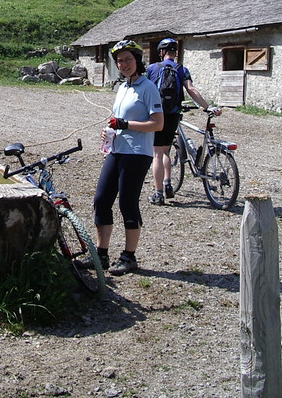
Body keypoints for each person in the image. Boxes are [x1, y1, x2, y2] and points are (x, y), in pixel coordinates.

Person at [79, 39, 163, 276]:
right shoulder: (123, 87)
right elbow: (119, 120)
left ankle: (129, 256)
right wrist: (111, 131)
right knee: (101, 199)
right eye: (119, 60)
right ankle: (101, 254)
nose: (123, 64)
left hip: (137, 154)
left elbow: (158, 124)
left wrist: (125, 124)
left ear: (138, 60)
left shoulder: (149, 88)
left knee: (127, 203)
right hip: (116, 150)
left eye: (128, 59)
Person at [146, 37, 220, 205]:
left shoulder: (152, 69)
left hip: (157, 114)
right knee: (166, 151)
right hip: (173, 114)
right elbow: (191, 89)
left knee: (157, 154)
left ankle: (158, 194)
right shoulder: (182, 69)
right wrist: (207, 106)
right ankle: (168, 183)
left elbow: (146, 92)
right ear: (175, 53)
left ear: (161, 52)